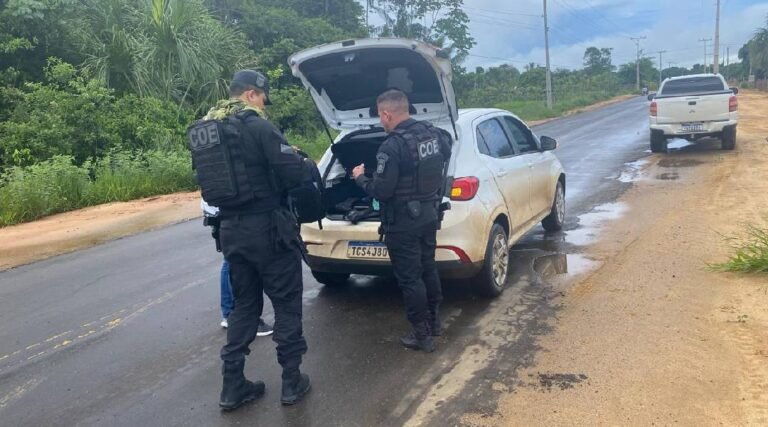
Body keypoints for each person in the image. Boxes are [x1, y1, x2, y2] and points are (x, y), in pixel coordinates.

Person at [193, 70, 310, 410]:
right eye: (262, 97)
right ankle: (291, 382)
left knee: (244, 306)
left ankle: (232, 387)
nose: (264, 104)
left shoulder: (209, 131)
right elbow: (291, 173)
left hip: (230, 231)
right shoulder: (258, 126)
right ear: (250, 94)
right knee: (287, 303)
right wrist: (301, 161)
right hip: (269, 230)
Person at [352, 89, 452, 353]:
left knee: (410, 279)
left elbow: (382, 191)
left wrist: (361, 178)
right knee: (428, 267)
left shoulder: (392, 145)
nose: (380, 123)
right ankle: (434, 322)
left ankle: (421, 334)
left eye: (380, 117)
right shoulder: (432, 133)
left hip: (403, 222)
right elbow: (445, 153)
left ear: (386, 114)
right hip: (429, 213)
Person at [201, 199, 273, 336]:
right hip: (229, 213)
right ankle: (234, 315)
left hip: (224, 211)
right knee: (233, 262)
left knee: (232, 261)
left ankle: (233, 315)